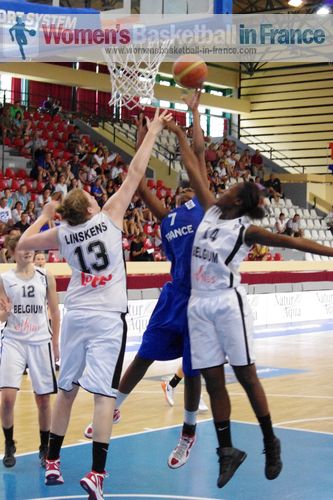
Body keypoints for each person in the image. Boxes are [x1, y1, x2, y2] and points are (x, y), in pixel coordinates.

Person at [165, 116, 333, 489]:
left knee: (245, 374)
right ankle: (227, 453)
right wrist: (178, 131)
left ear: (238, 200)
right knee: (212, 380)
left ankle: (270, 441)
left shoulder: (246, 229)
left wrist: (331, 251)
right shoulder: (209, 209)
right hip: (199, 306)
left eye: (229, 190)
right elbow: (193, 166)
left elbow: (294, 243)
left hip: (228, 304)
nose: (219, 190)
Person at [17, 109, 172, 499]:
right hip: (106, 320)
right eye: (90, 195)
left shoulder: (63, 236)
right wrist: (152, 129)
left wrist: (45, 216)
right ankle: (97, 475)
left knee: (66, 391)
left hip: (76, 317)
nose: (95, 194)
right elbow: (136, 173)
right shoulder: (109, 218)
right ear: (89, 209)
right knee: (104, 396)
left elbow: (21, 245)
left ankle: (51, 462)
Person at [84, 91, 209, 470]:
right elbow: (137, 183)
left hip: (201, 300)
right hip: (174, 297)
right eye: (183, 188)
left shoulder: (204, 205)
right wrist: (141, 140)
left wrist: (195, 114)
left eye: (191, 186)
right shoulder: (168, 217)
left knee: (191, 370)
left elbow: (199, 155)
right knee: (142, 356)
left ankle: (188, 432)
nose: (187, 188)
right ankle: (115, 408)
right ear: (175, 195)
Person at [0, 235, 60, 468]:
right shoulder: (4, 279)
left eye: (30, 248)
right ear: (12, 252)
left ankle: (44, 447)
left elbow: (55, 312)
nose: (27, 252)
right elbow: (1, 316)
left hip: (40, 341)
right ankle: (9, 444)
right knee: (6, 400)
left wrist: (55, 343)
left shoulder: (46, 277)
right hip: (14, 340)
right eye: (21, 249)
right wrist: (5, 313)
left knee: (43, 399)